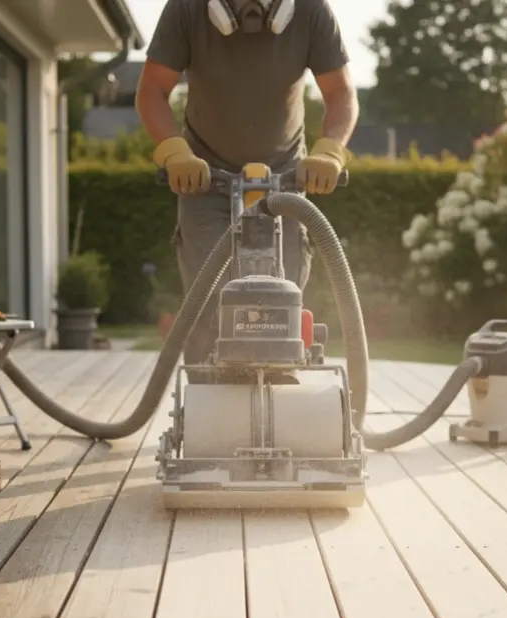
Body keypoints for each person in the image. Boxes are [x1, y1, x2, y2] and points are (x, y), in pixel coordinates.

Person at [135, 0, 358, 375]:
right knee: (207, 303)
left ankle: (278, 401)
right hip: (205, 179)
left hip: (284, 178)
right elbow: (152, 92)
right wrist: (175, 152)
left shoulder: (310, 11)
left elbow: (341, 94)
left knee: (281, 300)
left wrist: (331, 151)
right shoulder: (187, 10)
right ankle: (206, 409)